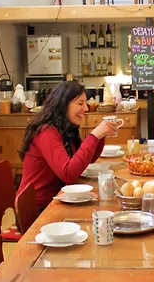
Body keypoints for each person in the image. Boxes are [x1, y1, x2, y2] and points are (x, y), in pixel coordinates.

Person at [18, 81, 117, 211]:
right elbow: (68, 174)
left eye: (85, 103)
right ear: (63, 105)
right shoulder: (46, 131)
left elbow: (87, 159)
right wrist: (94, 136)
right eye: (80, 103)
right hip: (38, 210)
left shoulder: (66, 129)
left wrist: (100, 136)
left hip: (57, 199)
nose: (86, 108)